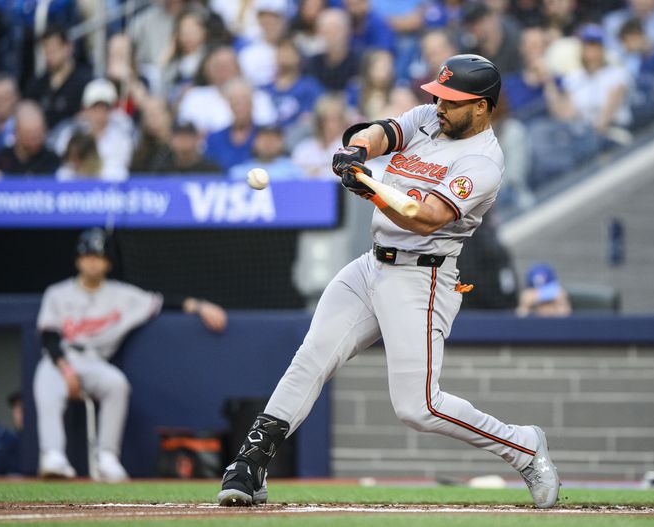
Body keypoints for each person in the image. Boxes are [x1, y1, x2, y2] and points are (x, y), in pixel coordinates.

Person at [216, 54, 560, 509]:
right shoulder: (428, 120)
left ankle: (523, 446)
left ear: (481, 107)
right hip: (371, 265)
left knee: (419, 408)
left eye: (452, 100)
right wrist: (357, 152)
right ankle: (249, 464)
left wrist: (370, 186)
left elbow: (427, 218)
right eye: (439, 95)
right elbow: (383, 132)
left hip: (423, 277)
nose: (440, 105)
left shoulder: (484, 161)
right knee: (312, 356)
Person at [34, 228, 228, 481]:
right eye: (88, 255)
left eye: (98, 256)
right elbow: (50, 337)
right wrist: (66, 369)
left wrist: (200, 306)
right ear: (78, 259)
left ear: (108, 262)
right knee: (47, 386)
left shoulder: (122, 295)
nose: (92, 261)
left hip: (94, 361)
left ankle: (107, 456)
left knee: (117, 384)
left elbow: (161, 301)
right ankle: (53, 455)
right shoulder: (57, 293)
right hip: (58, 360)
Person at [24, 26, 93, 130]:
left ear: (68, 47)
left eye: (54, 49)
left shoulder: (85, 82)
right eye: (46, 50)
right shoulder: (37, 85)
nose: (50, 56)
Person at [0, 101, 61, 178]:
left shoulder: (53, 162)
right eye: (28, 135)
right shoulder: (0, 161)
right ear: (16, 133)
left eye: (38, 134)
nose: (34, 141)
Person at [229, 126, 303, 182]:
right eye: (264, 139)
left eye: (273, 140)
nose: (268, 143)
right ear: (254, 143)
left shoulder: (293, 171)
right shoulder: (239, 172)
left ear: (281, 144)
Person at [151, 122, 221, 173]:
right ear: (171, 140)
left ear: (197, 139)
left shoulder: (210, 169)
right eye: (179, 137)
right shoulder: (162, 169)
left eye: (187, 137)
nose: (183, 141)